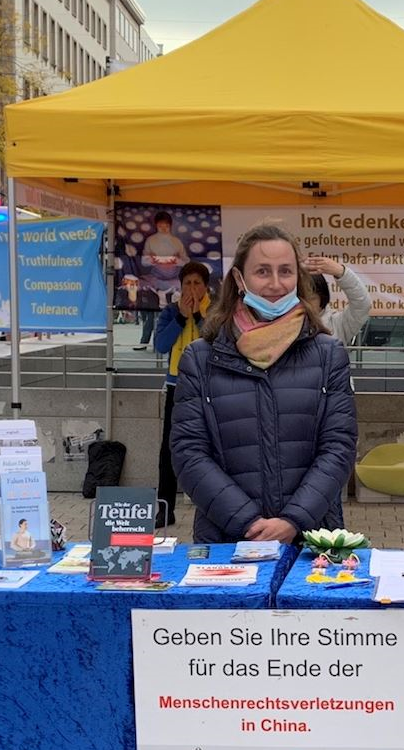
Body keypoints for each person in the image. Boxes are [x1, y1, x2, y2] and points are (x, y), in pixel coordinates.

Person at [170, 224, 357, 545]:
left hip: (310, 539)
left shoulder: (329, 354)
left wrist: (292, 520)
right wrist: (248, 523)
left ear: (298, 277)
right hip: (226, 541)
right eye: (262, 271)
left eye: (285, 271)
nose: (275, 283)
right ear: (239, 279)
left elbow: (339, 447)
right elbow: (189, 452)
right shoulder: (200, 359)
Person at [152, 261, 212, 528]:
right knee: (169, 448)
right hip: (177, 385)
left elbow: (216, 340)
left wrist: (197, 315)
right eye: (187, 283)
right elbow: (160, 345)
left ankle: (211, 507)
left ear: (206, 286)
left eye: (197, 283)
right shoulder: (170, 312)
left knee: (211, 446)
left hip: (208, 386)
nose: (192, 288)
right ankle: (165, 508)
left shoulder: (216, 311)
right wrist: (180, 317)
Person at [305, 256, 371, 344]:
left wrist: (341, 272)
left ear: (322, 297)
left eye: (311, 298)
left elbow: (361, 304)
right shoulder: (286, 325)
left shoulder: (337, 324)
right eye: (300, 298)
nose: (305, 304)